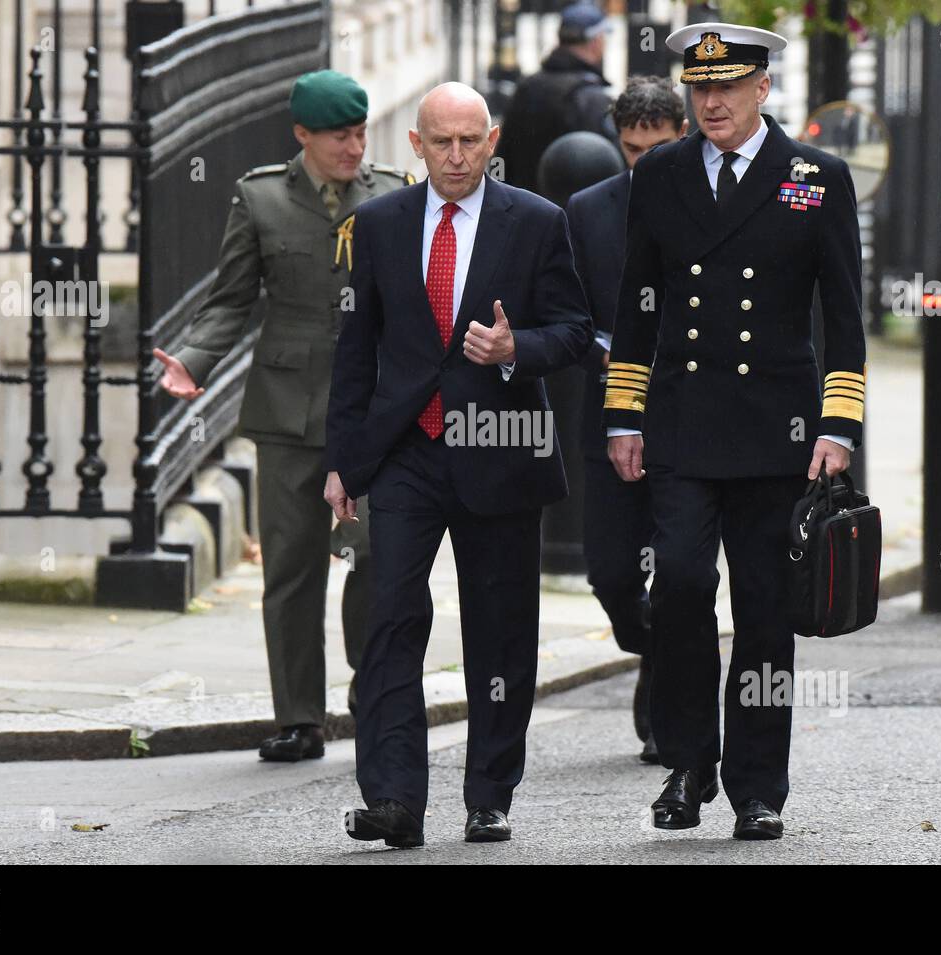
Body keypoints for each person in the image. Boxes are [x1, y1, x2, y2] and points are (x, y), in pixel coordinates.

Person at [603, 23, 867, 839]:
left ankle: (758, 785)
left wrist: (839, 424)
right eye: (699, 87)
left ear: (761, 88)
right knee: (678, 584)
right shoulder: (664, 175)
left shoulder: (815, 177)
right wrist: (622, 412)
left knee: (763, 609)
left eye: (727, 87)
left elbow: (845, 318)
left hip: (776, 431)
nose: (710, 101)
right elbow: (635, 303)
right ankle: (689, 761)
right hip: (682, 423)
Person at [324, 82, 592, 848]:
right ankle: (396, 797)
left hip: (500, 444)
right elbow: (355, 353)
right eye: (441, 141)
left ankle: (489, 792)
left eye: (470, 140)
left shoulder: (537, 222)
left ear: (493, 139)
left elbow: (574, 330)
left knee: (501, 627)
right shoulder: (377, 223)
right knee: (391, 616)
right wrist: (344, 461)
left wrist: (517, 350)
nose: (456, 155)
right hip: (408, 448)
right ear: (415, 146)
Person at [153, 70, 415, 762]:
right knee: (294, 567)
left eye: (361, 132)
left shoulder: (393, 194)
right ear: (303, 135)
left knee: (375, 555)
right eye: (340, 135)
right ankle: (300, 715)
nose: (356, 146)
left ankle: (371, 683)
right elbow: (229, 300)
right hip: (287, 410)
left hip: (369, 413)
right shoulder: (260, 197)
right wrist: (193, 359)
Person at [565, 76, 688, 765]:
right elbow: (567, 313)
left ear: (683, 134)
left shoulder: (708, 204)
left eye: (658, 146)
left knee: (680, 566)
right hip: (609, 416)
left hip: (689, 419)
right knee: (611, 571)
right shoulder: (587, 210)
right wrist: (603, 357)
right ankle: (655, 646)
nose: (643, 161)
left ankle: (667, 688)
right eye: (632, 148)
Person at [493, 1, 617, 194]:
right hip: (570, 216)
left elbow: (502, 157)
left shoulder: (527, 87)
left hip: (522, 211)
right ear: (596, 42)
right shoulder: (592, 99)